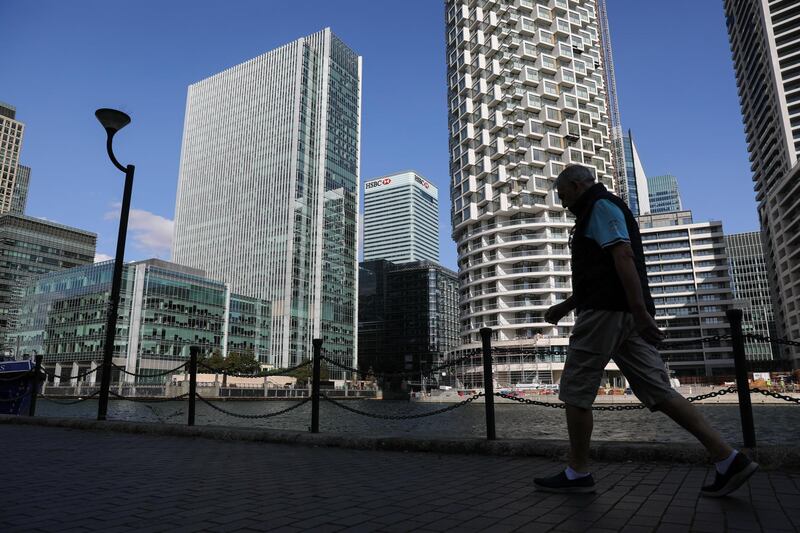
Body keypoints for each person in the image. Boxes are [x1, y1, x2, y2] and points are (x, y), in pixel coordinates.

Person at [533, 165, 758, 497]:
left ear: (578, 185)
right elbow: (604, 270)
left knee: (576, 389)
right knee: (659, 391)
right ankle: (728, 459)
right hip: (621, 312)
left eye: (562, 194)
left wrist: (639, 312)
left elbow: (623, 256)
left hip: (607, 313)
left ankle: (577, 472)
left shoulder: (600, 206)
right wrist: (567, 306)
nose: (562, 202)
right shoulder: (598, 210)